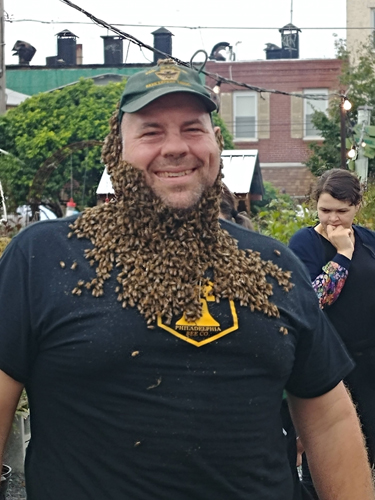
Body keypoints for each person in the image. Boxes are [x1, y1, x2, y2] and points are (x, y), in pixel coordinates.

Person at [0, 60, 373, 500]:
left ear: (216, 143)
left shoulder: (274, 265)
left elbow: (329, 422)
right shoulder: (43, 256)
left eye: (192, 129)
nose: (175, 147)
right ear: (116, 149)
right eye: (151, 131)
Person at [289, 168, 375, 495]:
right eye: (325, 210)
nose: (333, 219)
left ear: (357, 206)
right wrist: (343, 254)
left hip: (370, 360)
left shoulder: (368, 239)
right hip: (330, 362)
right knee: (328, 453)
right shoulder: (304, 242)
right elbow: (314, 300)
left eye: (342, 211)